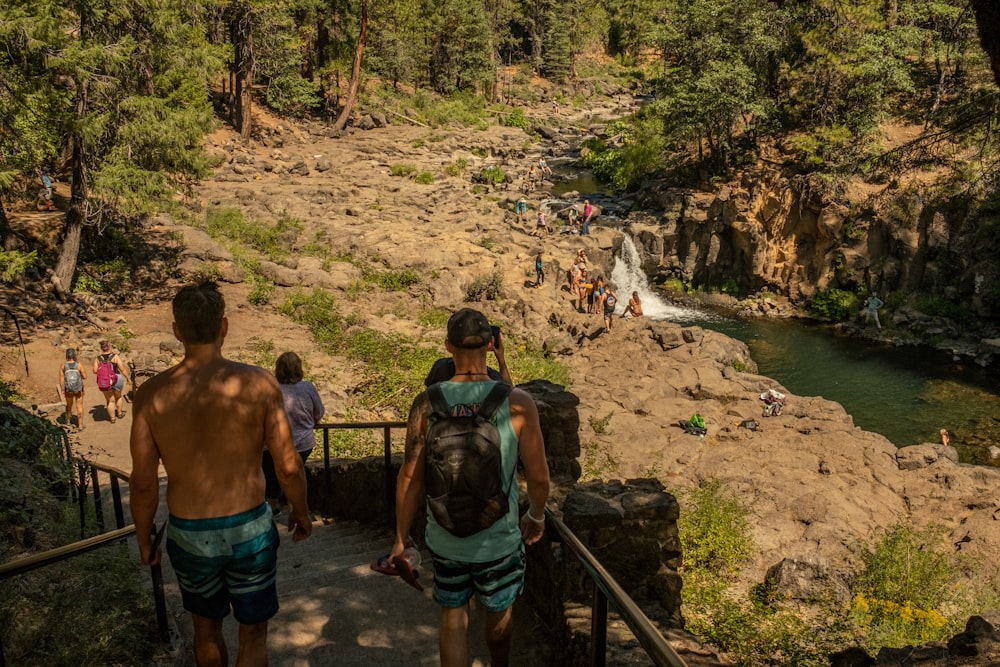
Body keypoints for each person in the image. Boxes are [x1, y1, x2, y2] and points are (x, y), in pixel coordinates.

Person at [129, 282, 312, 667]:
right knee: (253, 633)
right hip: (249, 529)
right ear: (224, 326)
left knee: (206, 628)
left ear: (177, 331)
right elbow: (288, 465)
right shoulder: (260, 383)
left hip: (189, 531)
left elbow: (144, 482)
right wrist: (300, 511)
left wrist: (144, 536)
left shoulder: (150, 394)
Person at [392, 308, 550, 667]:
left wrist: (401, 537)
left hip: (445, 536)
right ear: (491, 344)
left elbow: (409, 476)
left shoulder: (427, 403)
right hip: (499, 536)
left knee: (452, 614)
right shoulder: (517, 403)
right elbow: (540, 477)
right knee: (498, 610)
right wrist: (536, 516)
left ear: (448, 346)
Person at [263, 351, 325, 514]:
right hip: (303, 443)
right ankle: (295, 508)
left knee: (271, 475)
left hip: (275, 444)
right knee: (297, 474)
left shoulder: (271, 390)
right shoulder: (308, 388)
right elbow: (319, 412)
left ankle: (273, 508)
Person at [425, 321, 512, 387]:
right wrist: (501, 361)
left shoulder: (441, 367)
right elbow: (509, 395)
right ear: (491, 344)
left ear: (448, 345)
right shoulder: (494, 379)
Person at [94, 340, 130, 423]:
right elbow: (122, 369)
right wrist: (127, 377)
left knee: (110, 400)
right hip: (117, 378)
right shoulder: (115, 356)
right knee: (118, 396)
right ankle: (120, 413)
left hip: (105, 380)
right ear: (109, 347)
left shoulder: (98, 359)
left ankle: (112, 418)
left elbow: (95, 370)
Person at [59, 348, 87, 429]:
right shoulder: (79, 365)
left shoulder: (63, 365)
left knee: (69, 406)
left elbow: (61, 379)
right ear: (74, 355)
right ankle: (81, 425)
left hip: (68, 390)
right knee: (79, 406)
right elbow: (85, 377)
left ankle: (68, 422)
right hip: (79, 390)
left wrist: (62, 389)